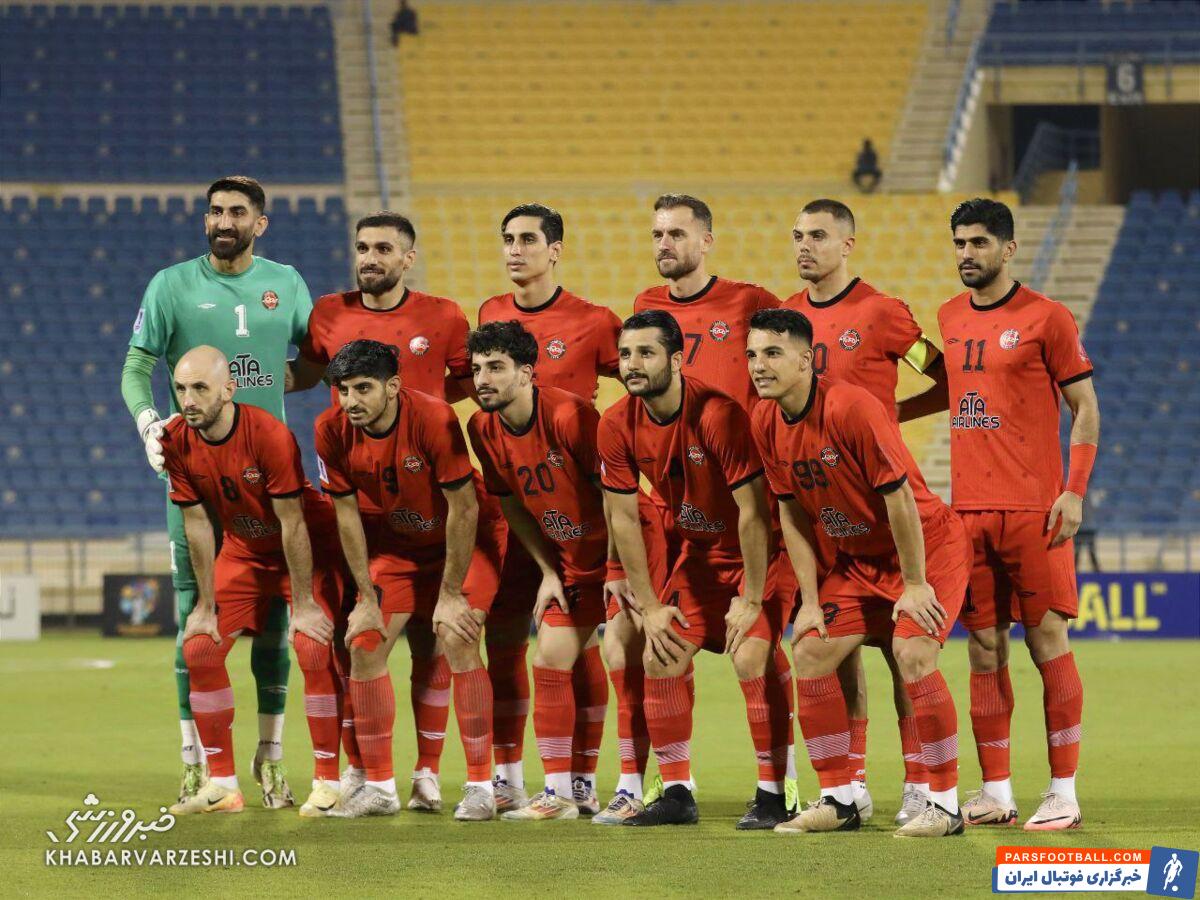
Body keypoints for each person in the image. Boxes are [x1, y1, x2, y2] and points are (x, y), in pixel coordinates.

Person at [906, 198, 1099, 831]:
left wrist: (1074, 491)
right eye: (960, 243)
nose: (967, 253)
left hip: (1035, 511)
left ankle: (1063, 793)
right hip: (969, 514)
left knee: (1047, 643)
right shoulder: (949, 316)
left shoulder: (1048, 317)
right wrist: (892, 413)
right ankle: (996, 791)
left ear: (1009, 249)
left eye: (980, 243)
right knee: (984, 648)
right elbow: (952, 387)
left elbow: (1086, 408)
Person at [122, 175, 312, 809]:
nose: (223, 221)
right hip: (196, 482)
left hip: (268, 482)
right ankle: (197, 765)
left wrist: (274, 380)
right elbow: (136, 366)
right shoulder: (170, 284)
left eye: (236, 212)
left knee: (276, 627)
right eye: (214, 211)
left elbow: (319, 357)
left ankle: (271, 759)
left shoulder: (286, 283)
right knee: (193, 622)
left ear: (260, 223)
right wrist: (149, 423)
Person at [745, 309, 969, 838]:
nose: (758, 365)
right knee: (810, 650)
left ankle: (944, 805)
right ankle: (839, 799)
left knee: (912, 655)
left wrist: (914, 584)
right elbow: (791, 513)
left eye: (772, 353)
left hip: (926, 549)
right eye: (752, 355)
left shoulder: (851, 407)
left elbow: (901, 500)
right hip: (858, 561)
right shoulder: (764, 420)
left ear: (807, 359)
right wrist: (808, 600)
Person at [289, 211, 474, 812]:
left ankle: (430, 773)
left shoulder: (445, 316)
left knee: (436, 646)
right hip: (368, 513)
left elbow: (467, 382)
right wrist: (234, 378)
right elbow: (306, 374)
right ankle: (363, 771)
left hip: (431, 494)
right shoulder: (327, 314)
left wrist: (422, 418)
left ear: (408, 258)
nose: (370, 258)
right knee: (356, 641)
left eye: (384, 249)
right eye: (363, 247)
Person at [784, 198, 950, 825]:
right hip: (826, 513)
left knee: (901, 652)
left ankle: (918, 782)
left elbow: (946, 377)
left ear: (848, 244)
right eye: (798, 236)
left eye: (818, 235)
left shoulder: (883, 313)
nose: (805, 246)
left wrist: (894, 417)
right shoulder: (787, 319)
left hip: (884, 507)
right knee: (836, 653)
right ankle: (849, 786)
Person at [598, 310, 796, 830]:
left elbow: (754, 513)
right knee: (660, 654)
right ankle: (676, 793)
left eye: (646, 353)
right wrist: (650, 606)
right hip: (701, 556)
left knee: (750, 655)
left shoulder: (718, 414)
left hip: (762, 554)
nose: (632, 364)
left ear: (676, 360)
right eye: (625, 354)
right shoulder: (615, 423)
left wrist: (751, 598)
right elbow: (623, 518)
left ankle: (777, 792)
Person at [476, 204, 633, 816]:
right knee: (529, 645)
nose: (515, 250)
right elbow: (504, 493)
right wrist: (549, 566)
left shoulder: (594, 325)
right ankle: (540, 783)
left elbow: (642, 384)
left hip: (605, 525)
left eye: (527, 239)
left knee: (619, 656)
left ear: (555, 250)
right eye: (507, 239)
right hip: (545, 528)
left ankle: (630, 784)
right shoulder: (490, 315)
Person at [314, 340, 506, 820]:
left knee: (457, 636)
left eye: (363, 388)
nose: (350, 401)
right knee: (364, 643)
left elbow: (465, 508)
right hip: (399, 548)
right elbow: (346, 516)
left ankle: (481, 786)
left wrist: (450, 594)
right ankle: (380, 788)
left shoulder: (433, 418)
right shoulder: (329, 430)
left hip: (467, 541)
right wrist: (365, 596)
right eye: (342, 390)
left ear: (393, 387)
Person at [160, 347, 344, 816]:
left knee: (312, 646)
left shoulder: (268, 434)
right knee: (199, 648)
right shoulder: (175, 438)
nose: (188, 400)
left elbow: (293, 522)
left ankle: (328, 781)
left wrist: (304, 603)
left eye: (200, 388)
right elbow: (197, 524)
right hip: (244, 550)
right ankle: (223, 784)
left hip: (304, 547)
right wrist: (205, 605)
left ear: (228, 389)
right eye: (180, 389)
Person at [466, 321, 616, 820]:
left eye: (495, 367)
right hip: (567, 559)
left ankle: (626, 786)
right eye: (477, 368)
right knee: (553, 656)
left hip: (621, 553)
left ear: (527, 372)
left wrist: (620, 569)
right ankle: (563, 793)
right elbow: (511, 504)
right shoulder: (481, 427)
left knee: (629, 663)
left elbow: (616, 496)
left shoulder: (571, 416)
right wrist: (549, 570)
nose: (482, 379)